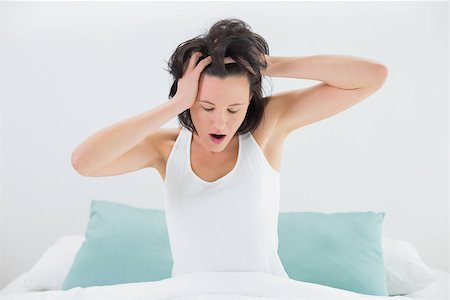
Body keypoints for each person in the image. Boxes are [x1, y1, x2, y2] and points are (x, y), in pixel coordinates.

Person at [71, 18, 388, 278]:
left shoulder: (267, 129)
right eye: (206, 107)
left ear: (249, 102)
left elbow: (372, 77)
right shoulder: (165, 149)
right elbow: (84, 163)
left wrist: (265, 63)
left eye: (233, 109)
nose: (220, 123)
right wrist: (175, 103)